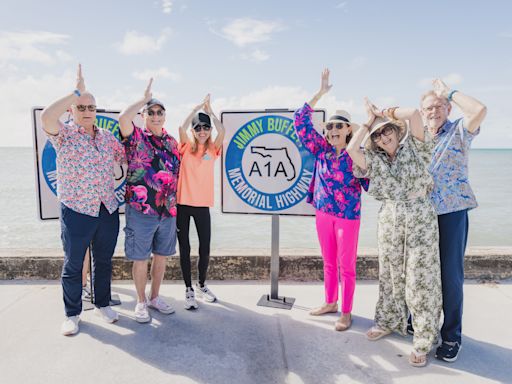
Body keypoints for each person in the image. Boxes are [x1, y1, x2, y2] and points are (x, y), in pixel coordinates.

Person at [347, 98, 442, 367]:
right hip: (390, 217)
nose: (383, 135)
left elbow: (412, 113)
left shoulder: (416, 147)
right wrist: (368, 122)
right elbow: (353, 148)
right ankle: (388, 321)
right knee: (388, 274)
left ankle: (423, 340)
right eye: (378, 134)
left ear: (397, 131)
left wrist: (382, 113)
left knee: (420, 278)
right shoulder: (374, 161)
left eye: (387, 130)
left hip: (420, 215)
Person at [41, 64, 125, 336]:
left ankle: (102, 304)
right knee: (74, 263)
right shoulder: (64, 135)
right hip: (76, 209)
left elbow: (127, 158)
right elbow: (46, 116)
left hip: (106, 208)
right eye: (81, 107)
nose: (87, 111)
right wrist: (76, 90)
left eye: (91, 107)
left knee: (104, 260)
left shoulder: (108, 138)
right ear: (72, 111)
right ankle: (72, 313)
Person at [293, 69, 369, 331]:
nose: (334, 129)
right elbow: (300, 121)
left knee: (346, 266)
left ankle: (346, 312)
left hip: (348, 217)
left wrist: (359, 132)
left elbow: (371, 177)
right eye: (330, 126)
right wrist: (320, 93)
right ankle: (330, 302)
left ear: (348, 130)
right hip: (323, 213)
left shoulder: (357, 154)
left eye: (340, 125)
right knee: (328, 262)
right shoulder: (322, 150)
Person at [420, 79, 487, 362]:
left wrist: (449, 91)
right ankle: (423, 325)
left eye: (438, 106)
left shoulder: (459, 130)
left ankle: (451, 336)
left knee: (450, 278)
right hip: (422, 216)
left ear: (448, 108)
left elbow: (479, 110)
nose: (433, 111)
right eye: (427, 108)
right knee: (422, 275)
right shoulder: (419, 137)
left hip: (452, 213)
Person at [119, 79, 180, 323]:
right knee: (141, 259)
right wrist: (142, 100)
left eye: (159, 112)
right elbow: (123, 119)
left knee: (161, 256)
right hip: (141, 209)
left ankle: (155, 298)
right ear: (143, 115)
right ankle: (141, 302)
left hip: (167, 211)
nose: (155, 116)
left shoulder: (172, 142)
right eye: (150, 112)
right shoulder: (135, 138)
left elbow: (176, 175)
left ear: (164, 116)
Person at [176, 94, 225, 309]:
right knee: (184, 248)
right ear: (193, 131)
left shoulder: (212, 149)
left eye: (206, 127)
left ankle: (201, 284)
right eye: (198, 128)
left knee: (205, 248)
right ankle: (188, 289)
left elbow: (222, 131)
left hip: (202, 205)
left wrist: (211, 111)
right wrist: (194, 108)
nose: (202, 131)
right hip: (183, 205)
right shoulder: (186, 147)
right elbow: (181, 126)